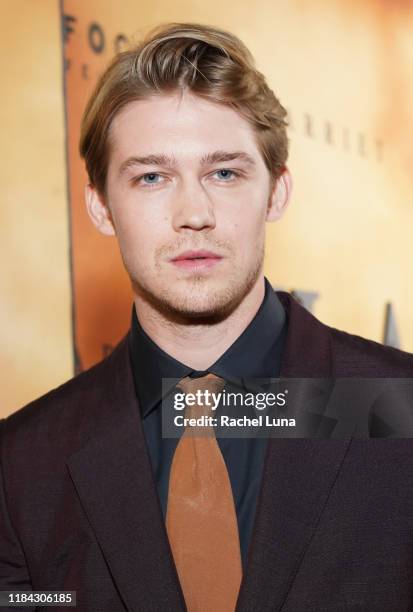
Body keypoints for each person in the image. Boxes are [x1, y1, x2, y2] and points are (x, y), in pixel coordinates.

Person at [1, 22, 413, 612]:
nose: (193, 213)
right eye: (151, 177)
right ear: (101, 207)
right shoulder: (20, 468)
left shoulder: (400, 409)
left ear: (275, 192)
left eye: (224, 173)